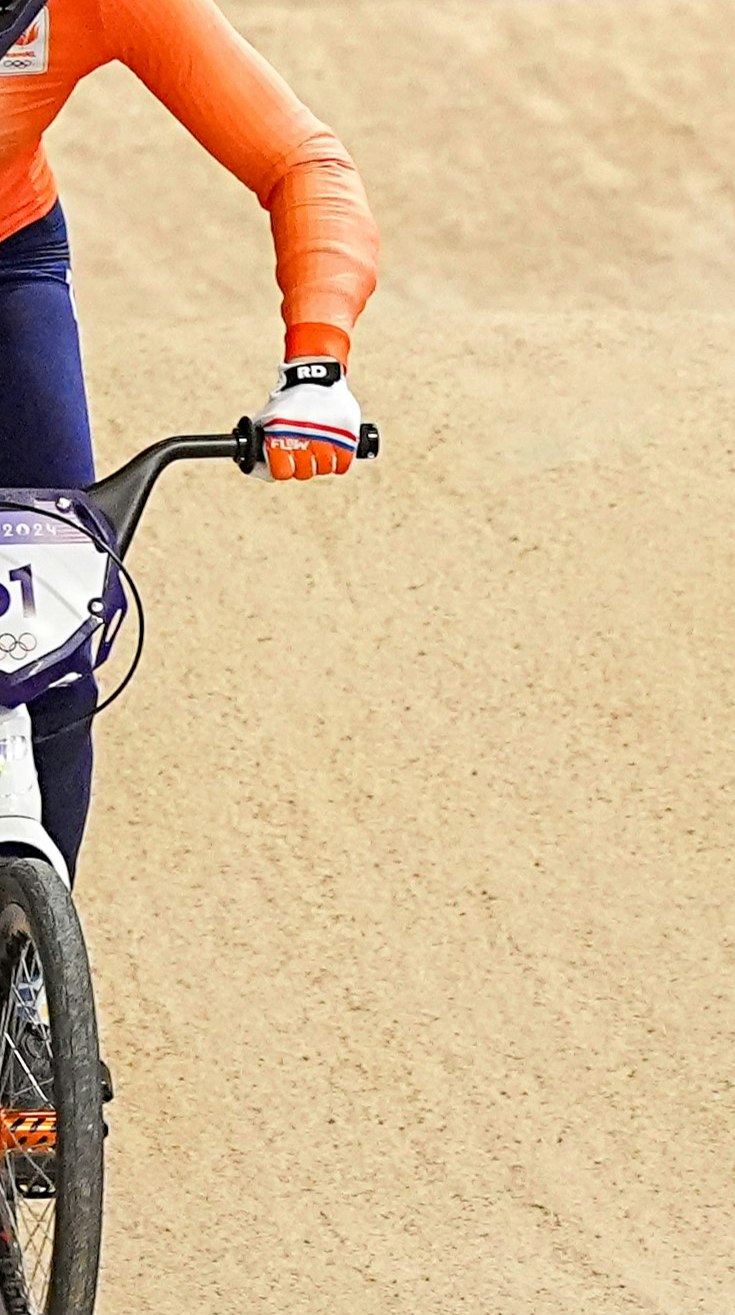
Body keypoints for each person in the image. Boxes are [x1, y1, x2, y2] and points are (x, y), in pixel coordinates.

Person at [0, 0, 378, 872]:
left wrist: (316, 367)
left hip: (7, 259)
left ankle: (24, 982)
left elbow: (300, 160)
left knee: (45, 635)